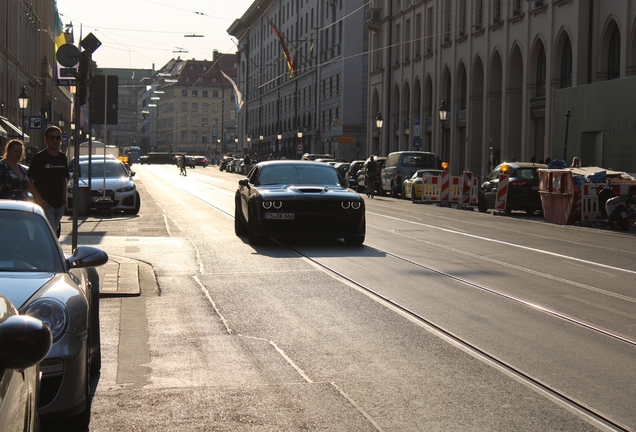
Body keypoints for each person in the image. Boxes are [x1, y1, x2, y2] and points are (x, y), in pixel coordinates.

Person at [27, 126, 69, 236]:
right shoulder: (39, 158)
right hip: (45, 204)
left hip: (59, 204)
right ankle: (53, 253)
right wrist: (40, 200)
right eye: (51, 138)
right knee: (52, 233)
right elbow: (29, 181)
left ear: (61, 139)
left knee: (51, 234)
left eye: (57, 138)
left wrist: (64, 200)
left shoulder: (62, 158)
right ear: (46, 139)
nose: (55, 141)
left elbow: (64, 179)